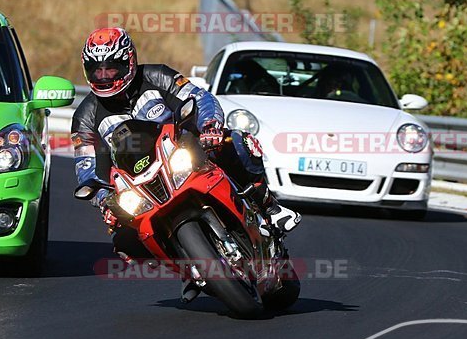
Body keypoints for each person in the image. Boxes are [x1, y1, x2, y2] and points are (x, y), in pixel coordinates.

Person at [71, 27, 301, 259]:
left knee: (236, 142)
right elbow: (86, 167)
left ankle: (270, 207)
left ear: (129, 61)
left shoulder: (157, 75)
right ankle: (188, 266)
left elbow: (200, 97)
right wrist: (103, 200)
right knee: (123, 241)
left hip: (183, 152)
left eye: (111, 68)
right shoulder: (84, 117)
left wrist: (210, 125)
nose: (104, 76)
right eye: (96, 70)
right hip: (138, 184)